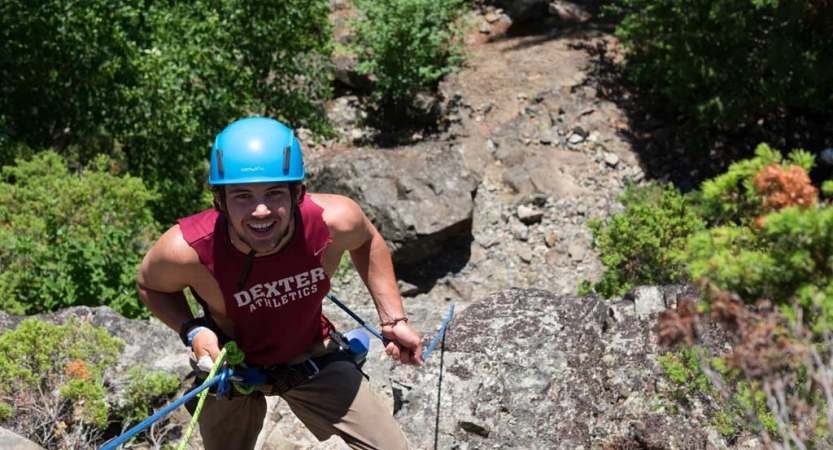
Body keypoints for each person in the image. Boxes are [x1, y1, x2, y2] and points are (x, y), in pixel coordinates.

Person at [137, 116, 422, 450]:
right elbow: (150, 286)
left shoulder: (334, 221)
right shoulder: (187, 249)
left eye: (274, 193)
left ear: (297, 192)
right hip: (232, 369)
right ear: (220, 201)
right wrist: (193, 330)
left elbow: (367, 240)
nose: (260, 210)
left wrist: (393, 319)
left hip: (311, 355)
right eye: (242, 195)